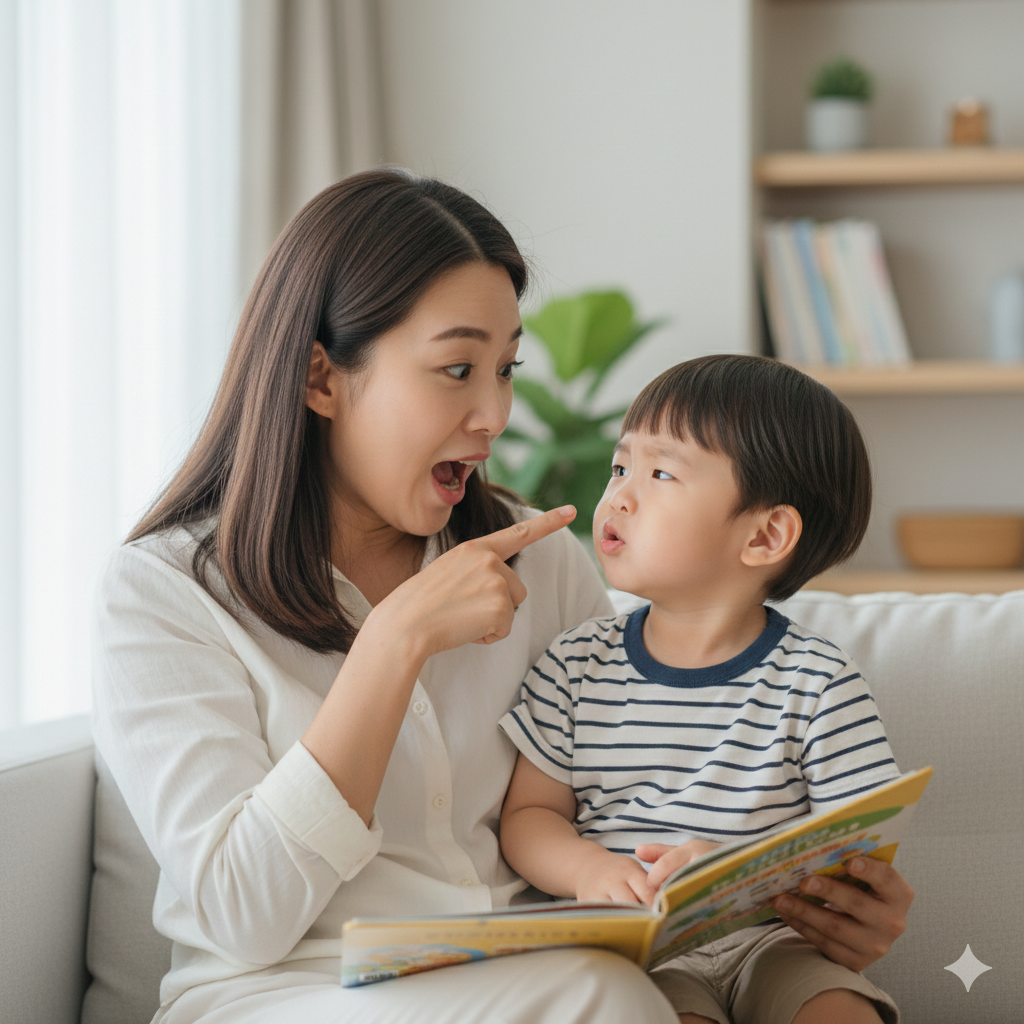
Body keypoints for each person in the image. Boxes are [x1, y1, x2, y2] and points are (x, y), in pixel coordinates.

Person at [92, 169, 680, 1024]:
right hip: (285, 994)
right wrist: (394, 642)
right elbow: (243, 915)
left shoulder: (544, 566)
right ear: (321, 379)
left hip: (522, 977)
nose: (493, 414)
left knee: (607, 991)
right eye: (455, 368)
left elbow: (629, 808)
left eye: (506, 369)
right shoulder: (162, 592)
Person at [498, 355, 912, 1024]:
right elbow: (528, 818)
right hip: (641, 950)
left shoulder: (818, 681)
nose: (621, 495)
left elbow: (858, 844)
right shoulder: (573, 664)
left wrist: (742, 871)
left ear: (766, 534)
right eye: (620, 467)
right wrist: (588, 872)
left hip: (777, 940)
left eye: (660, 473)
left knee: (837, 1010)